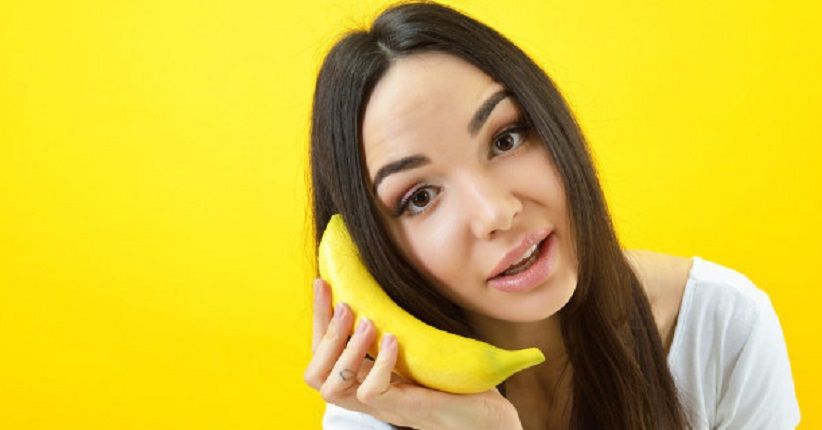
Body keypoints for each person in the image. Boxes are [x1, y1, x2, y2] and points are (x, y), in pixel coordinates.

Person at [302, 2, 801, 429]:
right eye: (420, 197)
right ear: (374, 251)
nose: (496, 212)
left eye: (506, 139)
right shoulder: (378, 406)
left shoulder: (719, 327)